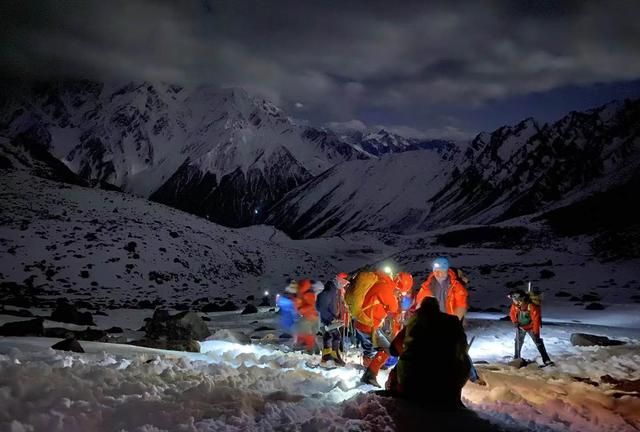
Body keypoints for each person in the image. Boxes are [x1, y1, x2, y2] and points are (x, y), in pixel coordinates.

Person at [385, 297, 471, 408]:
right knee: (462, 361)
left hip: (413, 381)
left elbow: (394, 348)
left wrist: (406, 352)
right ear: (437, 308)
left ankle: (399, 394)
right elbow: (463, 347)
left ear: (421, 309)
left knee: (400, 366)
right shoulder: (453, 321)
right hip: (448, 381)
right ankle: (454, 398)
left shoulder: (413, 322)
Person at [414, 257, 485, 385]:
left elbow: (461, 305)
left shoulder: (456, 286)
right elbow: (420, 303)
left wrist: (454, 322)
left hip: (450, 322)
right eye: (435, 270)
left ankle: (473, 376)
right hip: (433, 322)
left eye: (440, 270)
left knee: (459, 350)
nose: (437, 273)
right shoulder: (427, 285)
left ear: (446, 270)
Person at [356, 270, 412, 387]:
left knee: (376, 348)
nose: (400, 294)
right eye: (401, 291)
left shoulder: (382, 284)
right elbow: (393, 307)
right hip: (369, 325)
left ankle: (369, 372)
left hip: (365, 323)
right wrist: (396, 296)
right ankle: (370, 376)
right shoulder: (387, 288)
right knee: (388, 349)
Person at [509, 290, 553, 366]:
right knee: (518, 342)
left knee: (538, 342)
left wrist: (536, 333)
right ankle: (516, 357)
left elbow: (536, 320)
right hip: (521, 326)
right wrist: (515, 322)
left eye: (515, 299)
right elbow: (512, 313)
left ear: (520, 300)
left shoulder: (531, 306)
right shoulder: (515, 305)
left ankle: (546, 360)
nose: (514, 301)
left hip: (531, 327)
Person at [316, 273, 349, 366]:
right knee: (332, 336)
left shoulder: (334, 291)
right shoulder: (329, 291)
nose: (345, 284)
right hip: (326, 320)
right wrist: (331, 318)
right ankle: (329, 358)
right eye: (344, 282)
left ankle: (330, 357)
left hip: (330, 319)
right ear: (338, 280)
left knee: (332, 336)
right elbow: (321, 306)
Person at [294, 279, 321, 354]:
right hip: (310, 317)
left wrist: (300, 309)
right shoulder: (304, 294)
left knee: (307, 335)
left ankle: (311, 352)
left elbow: (310, 306)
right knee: (309, 335)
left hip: (309, 317)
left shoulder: (307, 294)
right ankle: (315, 351)